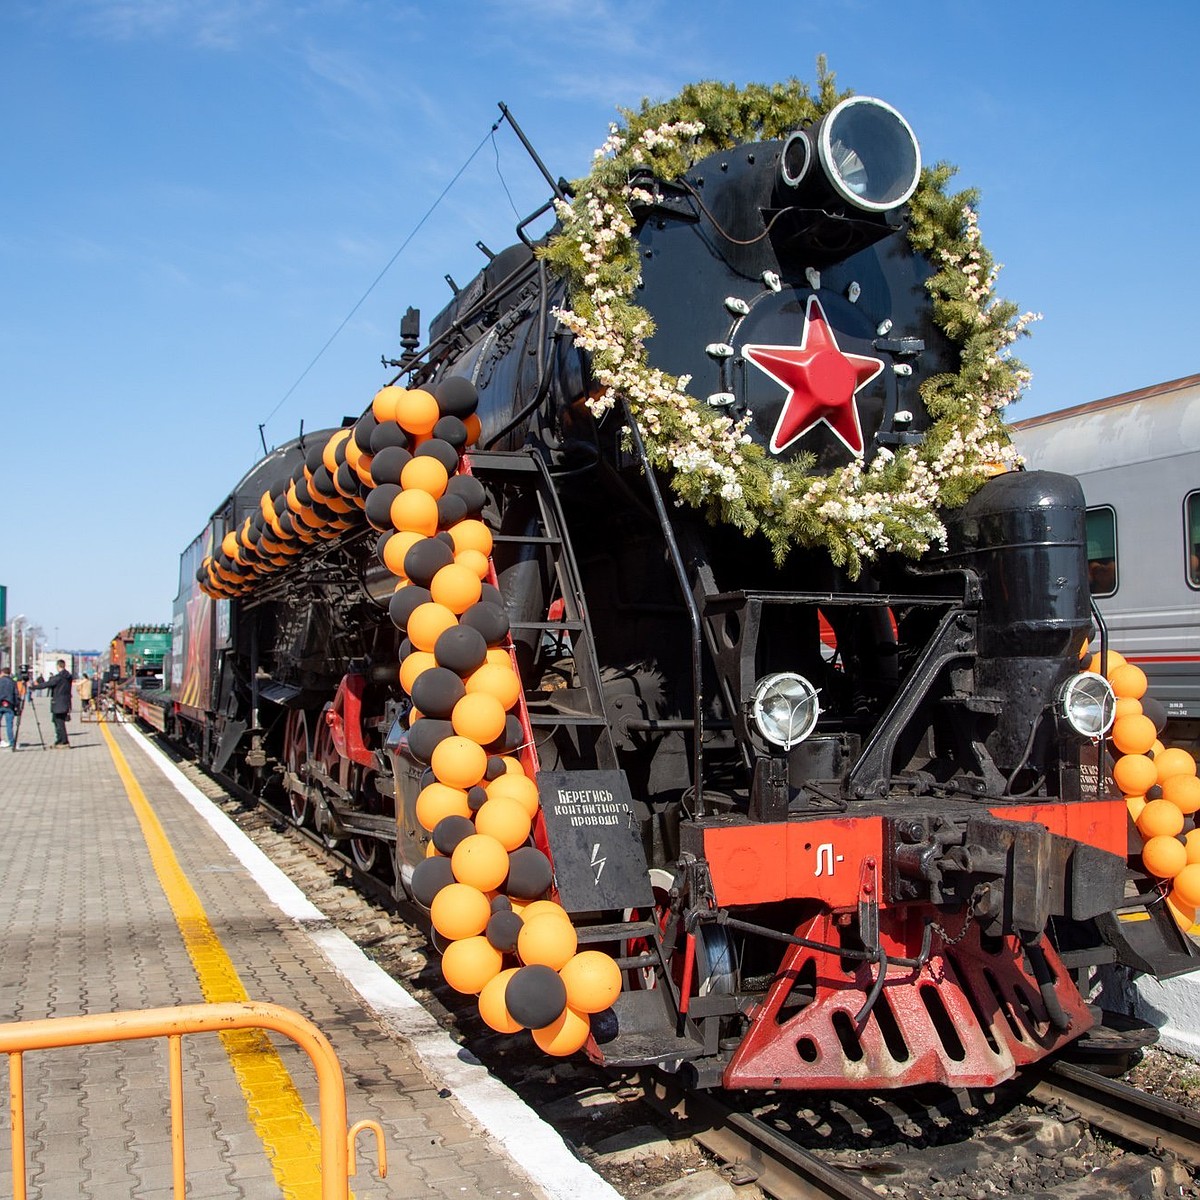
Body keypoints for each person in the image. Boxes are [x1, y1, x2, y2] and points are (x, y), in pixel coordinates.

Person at [36, 659, 73, 747]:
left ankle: (63, 740)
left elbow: (47, 684)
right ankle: (60, 739)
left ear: (58, 666)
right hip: (65, 701)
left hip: (58, 703)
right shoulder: (68, 676)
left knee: (59, 722)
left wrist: (34, 687)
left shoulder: (58, 677)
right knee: (59, 721)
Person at [0, 666, 18, 749]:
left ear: (2, 673)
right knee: (9, 725)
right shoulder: (13, 682)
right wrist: (17, 706)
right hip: (9, 704)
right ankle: (12, 742)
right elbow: (16, 694)